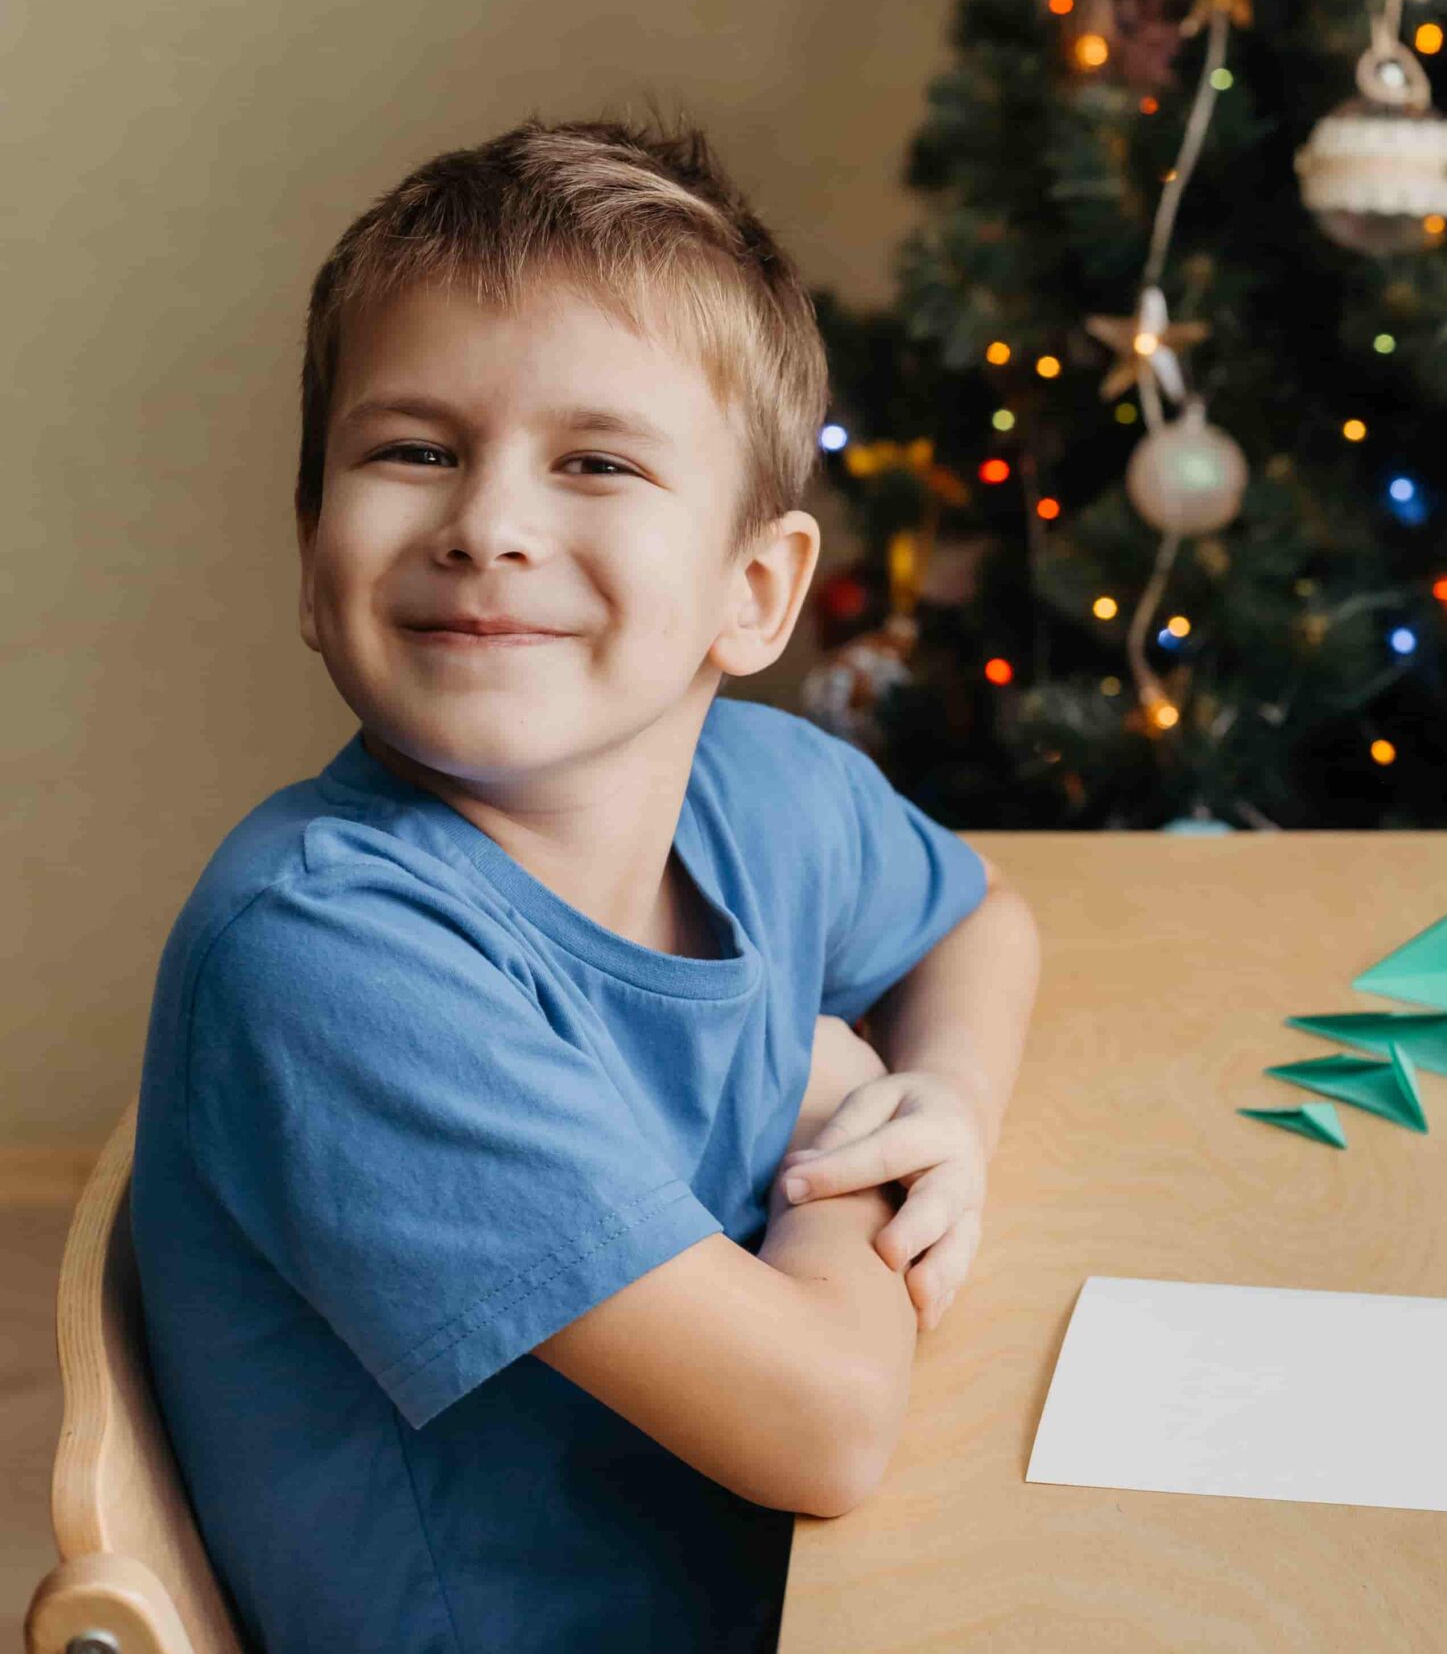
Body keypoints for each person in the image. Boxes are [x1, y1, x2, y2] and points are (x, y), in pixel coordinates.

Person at [126, 108, 1041, 1653]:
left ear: (754, 593)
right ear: (309, 549)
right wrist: (840, 1128)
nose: (487, 527)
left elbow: (978, 922)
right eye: (414, 449)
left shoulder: (766, 786)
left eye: (596, 461)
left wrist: (938, 1100)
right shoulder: (328, 957)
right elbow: (822, 1429)